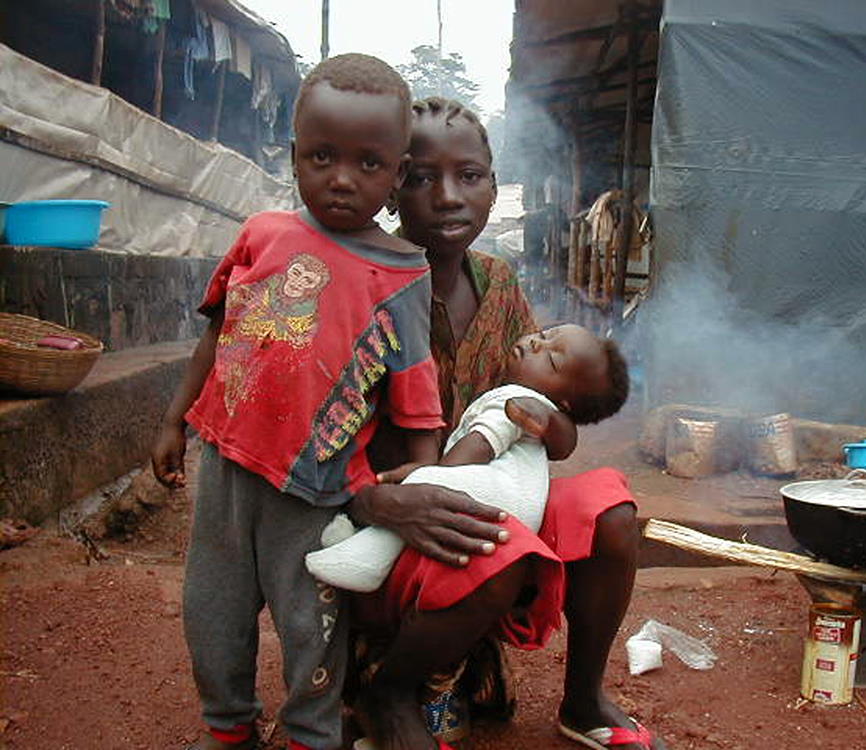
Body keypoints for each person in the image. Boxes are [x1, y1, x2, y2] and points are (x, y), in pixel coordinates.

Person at [346, 96, 666, 750]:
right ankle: (388, 692)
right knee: (506, 548)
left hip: (478, 501)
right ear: (390, 189)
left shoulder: (497, 282)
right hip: (384, 518)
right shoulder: (359, 286)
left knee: (610, 513)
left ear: (495, 185)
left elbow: (544, 411)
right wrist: (379, 500)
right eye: (420, 177)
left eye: (470, 175)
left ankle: (583, 700)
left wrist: (551, 430)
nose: (448, 195)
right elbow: (311, 438)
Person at [150, 54, 445, 750]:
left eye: (368, 164)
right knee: (211, 610)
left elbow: (416, 393)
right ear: (293, 156)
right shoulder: (263, 233)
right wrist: (173, 421)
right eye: (321, 156)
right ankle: (228, 725)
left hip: (313, 488)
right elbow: (219, 331)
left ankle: (313, 733)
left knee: (311, 623)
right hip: (224, 466)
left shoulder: (402, 273)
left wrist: (427, 475)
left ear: (397, 175)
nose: (342, 178)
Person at [306, 323, 630, 593]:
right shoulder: (532, 406)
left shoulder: (513, 402)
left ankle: (363, 560)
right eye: (543, 335)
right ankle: (363, 548)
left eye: (553, 361)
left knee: (421, 484)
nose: (534, 344)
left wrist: (437, 473)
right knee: (418, 492)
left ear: (563, 402)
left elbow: (480, 446)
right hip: (517, 509)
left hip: (497, 499)